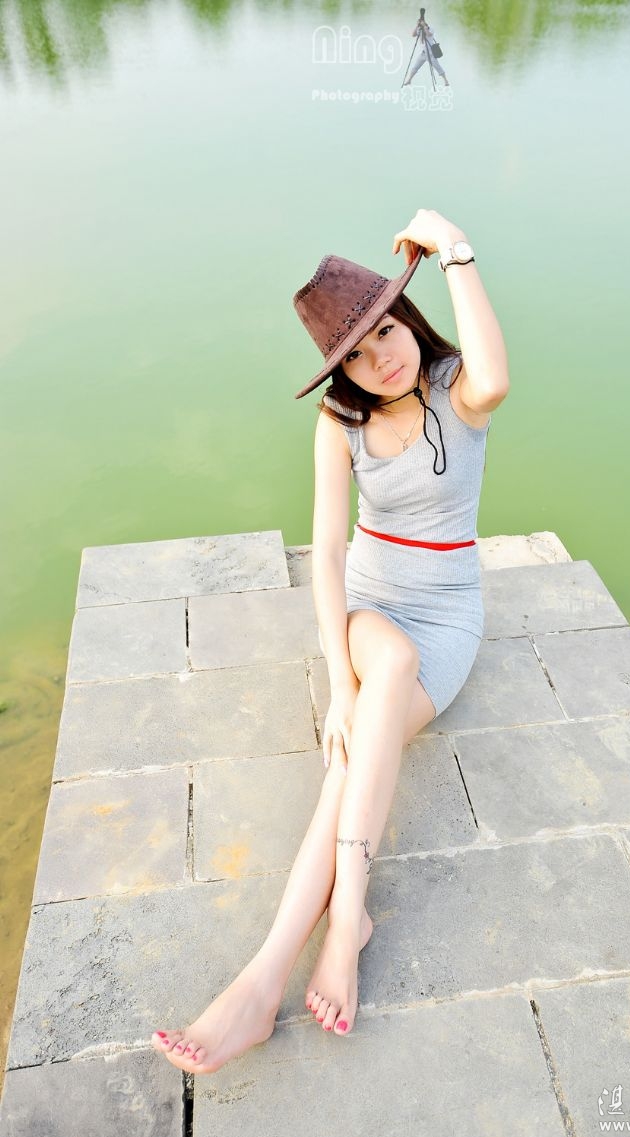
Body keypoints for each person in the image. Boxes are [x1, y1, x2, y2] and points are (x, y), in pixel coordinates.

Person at [150, 208, 509, 1074]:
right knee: (381, 675)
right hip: (372, 610)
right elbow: (329, 555)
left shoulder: (456, 388)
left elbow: (496, 376)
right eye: (355, 353)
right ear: (339, 370)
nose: (380, 358)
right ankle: (346, 920)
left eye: (386, 330)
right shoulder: (339, 425)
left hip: (449, 617)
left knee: (351, 764)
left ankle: (264, 980)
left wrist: (451, 247)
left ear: (409, 318)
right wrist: (341, 687)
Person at [402, 16, 450, 86]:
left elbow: (429, 34)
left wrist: (424, 27)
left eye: (422, 22)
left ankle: (446, 81)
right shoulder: (419, 29)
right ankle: (409, 80)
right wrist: (417, 26)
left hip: (431, 53)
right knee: (415, 67)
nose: (421, 23)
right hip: (423, 53)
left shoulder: (430, 28)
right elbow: (413, 35)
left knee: (437, 66)